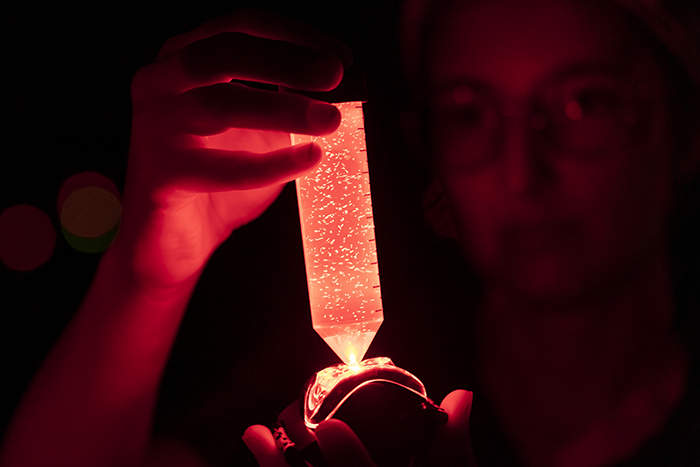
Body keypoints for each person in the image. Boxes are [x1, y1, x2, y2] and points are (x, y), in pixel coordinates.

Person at [1, 1, 699, 467]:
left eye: (585, 104)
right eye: (470, 113)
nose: (522, 169)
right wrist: (147, 274)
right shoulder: (349, 377)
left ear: (685, 128)